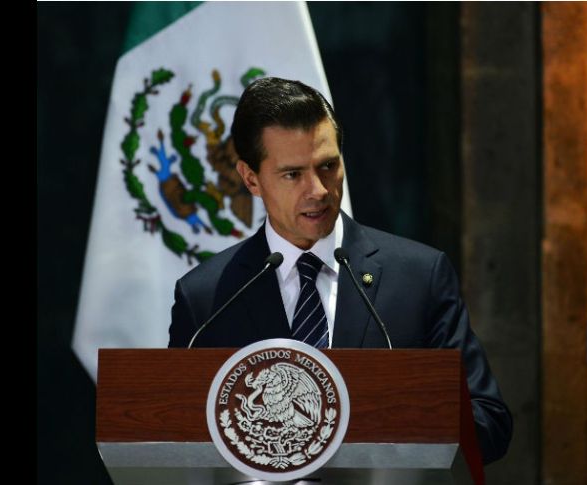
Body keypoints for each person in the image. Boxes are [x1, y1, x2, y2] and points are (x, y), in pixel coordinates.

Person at [168, 77, 512, 464]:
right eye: (292, 174)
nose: (317, 189)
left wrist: (400, 419)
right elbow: (176, 440)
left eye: (328, 166)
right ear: (251, 179)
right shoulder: (207, 299)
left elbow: (490, 423)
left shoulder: (418, 277)